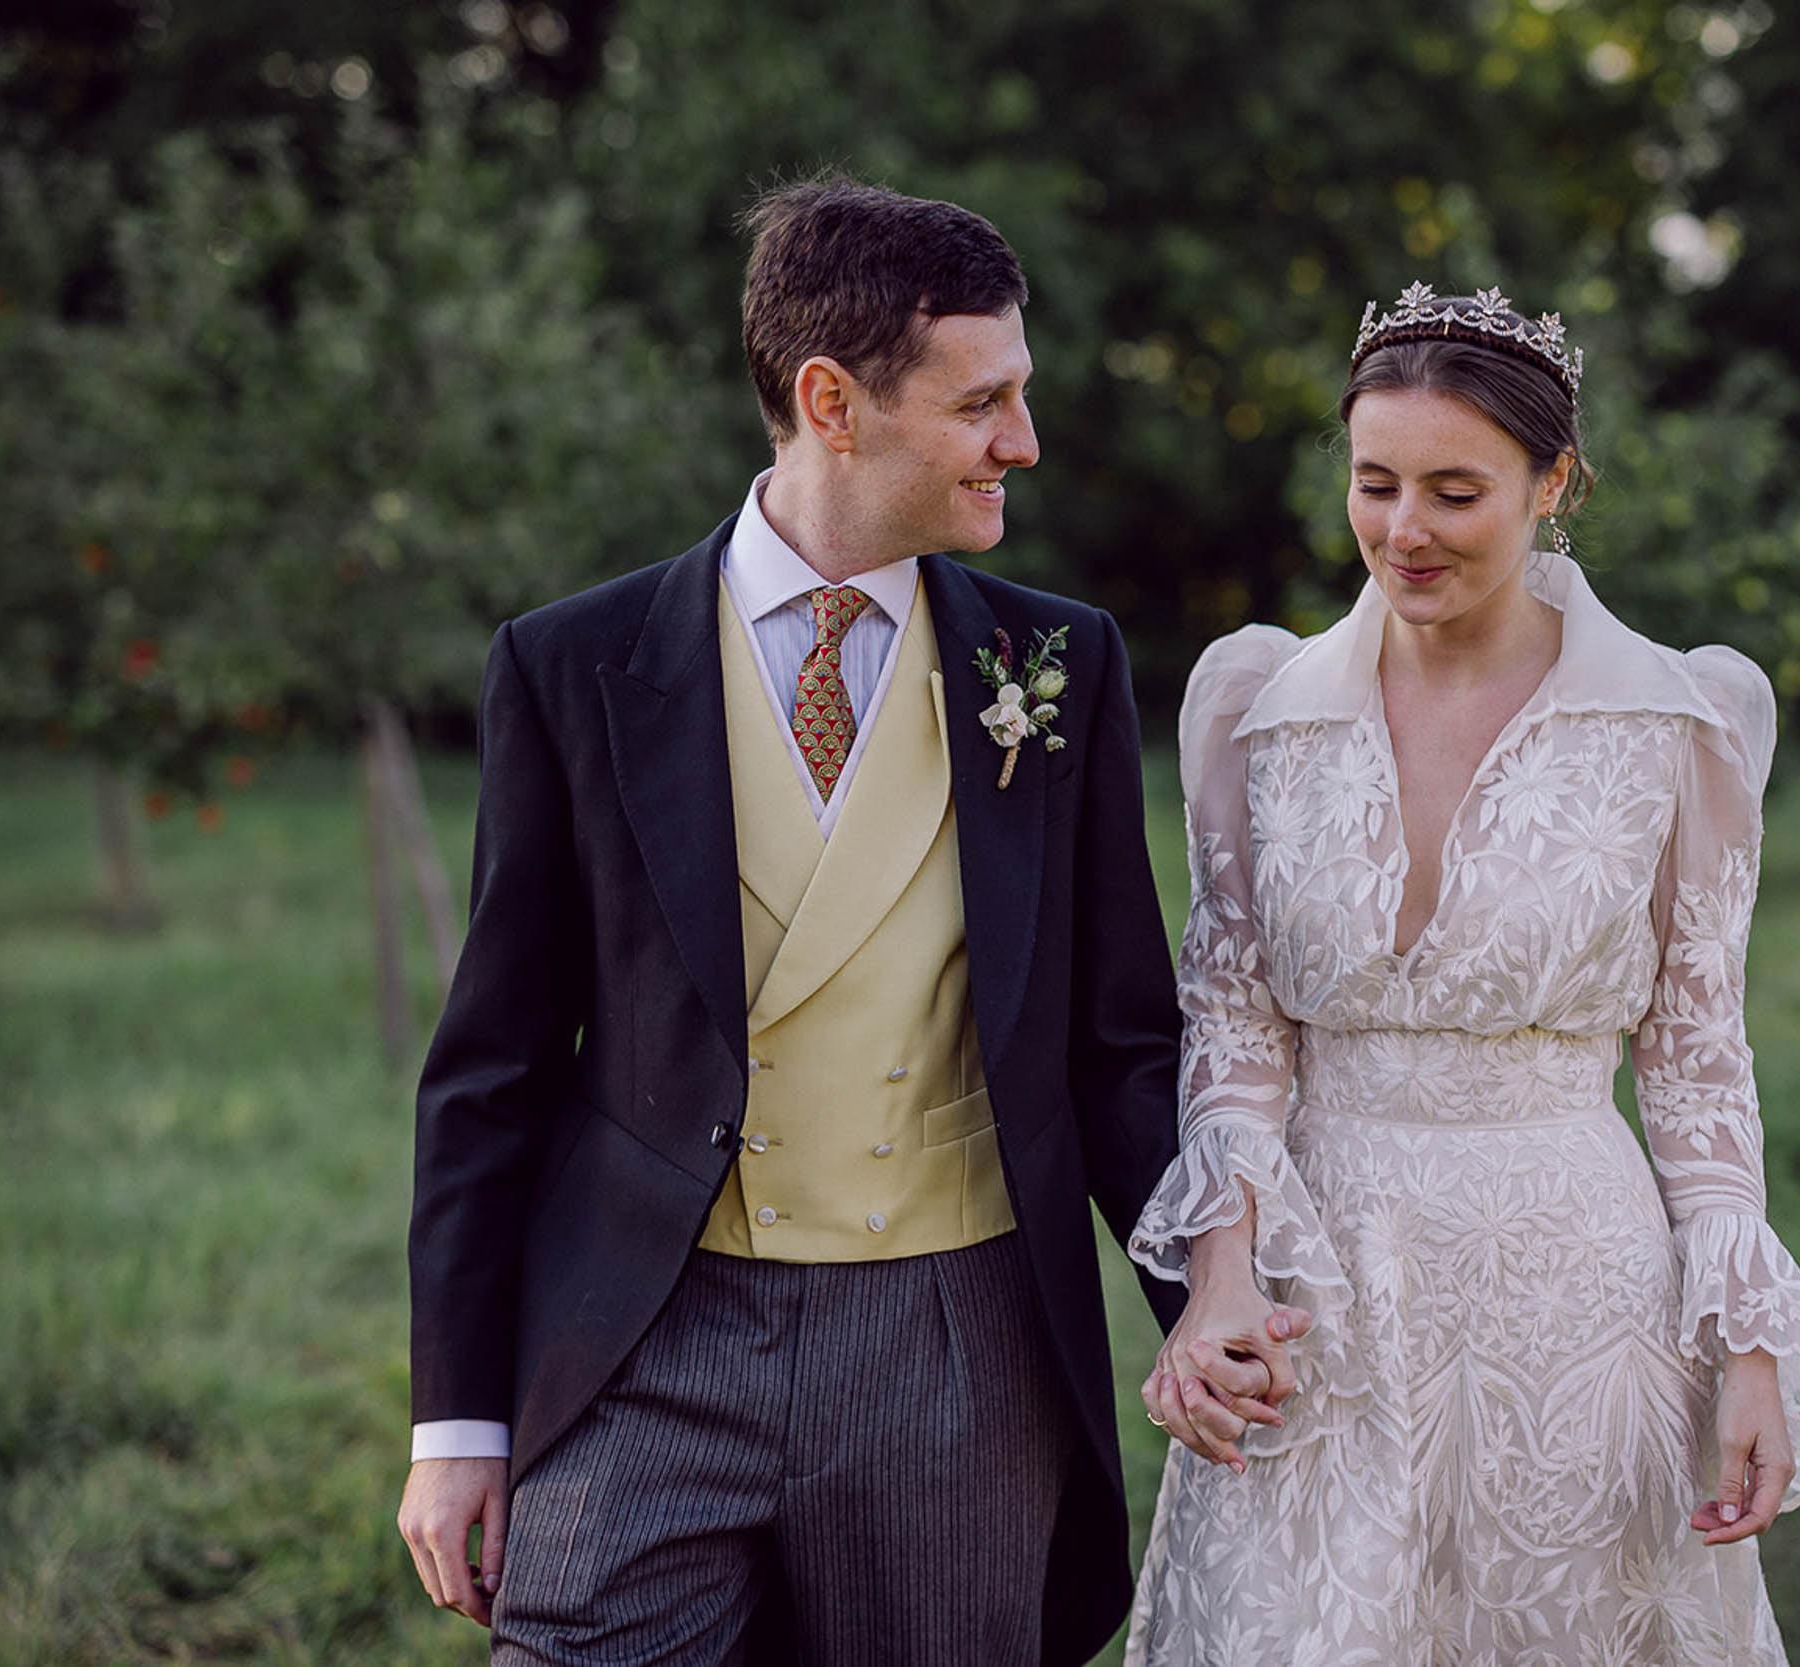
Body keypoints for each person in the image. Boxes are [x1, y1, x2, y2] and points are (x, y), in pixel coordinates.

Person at [394, 178, 1304, 1667]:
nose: (1024, 440)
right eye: (982, 403)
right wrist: (457, 1422)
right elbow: (492, 1070)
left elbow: (1120, 1048)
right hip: (648, 1333)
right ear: (832, 402)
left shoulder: (1058, 663)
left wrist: (1202, 1292)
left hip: (959, 1350)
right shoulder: (570, 668)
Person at [1124, 283, 1800, 1664]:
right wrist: (1219, 1280)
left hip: (1576, 1300)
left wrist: (1748, 1350)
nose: (1405, 529)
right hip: (1321, 1289)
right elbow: (1233, 1023)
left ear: (1552, 483)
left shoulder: (1678, 719)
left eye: (1455, 492)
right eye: (1376, 483)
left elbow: (1697, 1058)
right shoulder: (1257, 706)